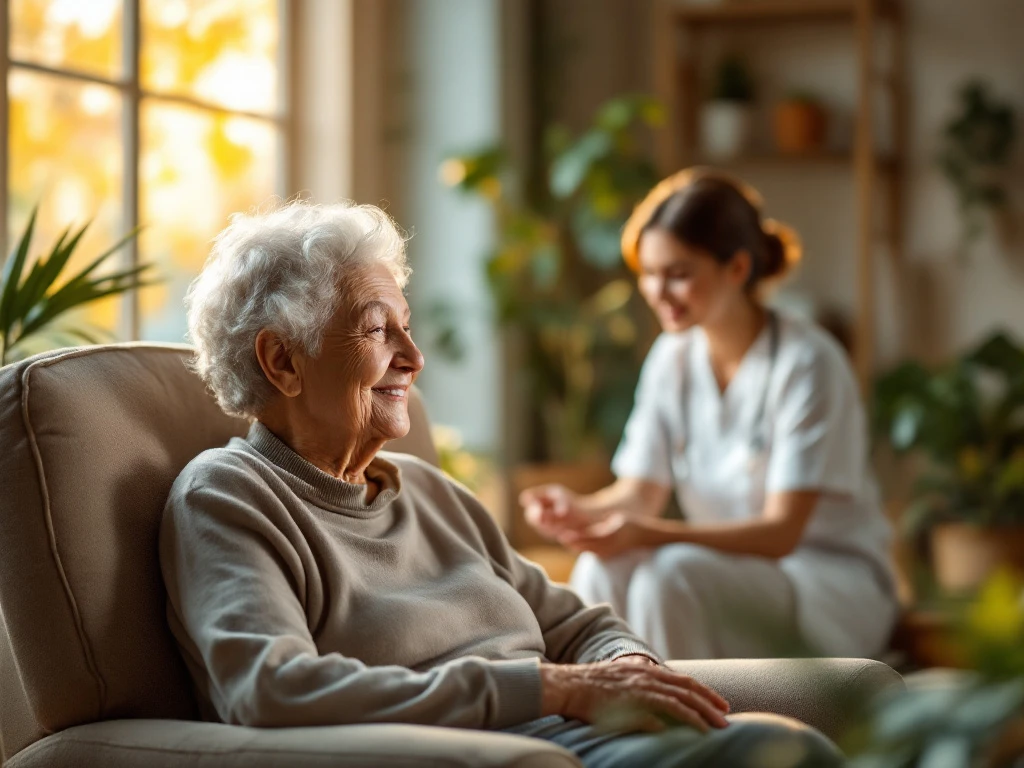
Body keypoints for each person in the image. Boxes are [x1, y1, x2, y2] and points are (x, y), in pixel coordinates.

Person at [160, 200, 843, 767]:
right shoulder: (228, 498)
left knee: (796, 748)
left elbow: (580, 625)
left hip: (589, 737)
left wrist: (630, 675)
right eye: (377, 330)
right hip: (504, 751)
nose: (414, 356)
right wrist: (548, 690)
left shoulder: (430, 493)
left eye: (408, 325)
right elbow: (270, 689)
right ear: (282, 360)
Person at [521, 169, 899, 661]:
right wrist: (579, 509)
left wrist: (647, 534)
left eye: (677, 273)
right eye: (647, 273)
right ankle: (614, 721)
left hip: (825, 582)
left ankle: (685, 731)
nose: (657, 291)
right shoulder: (671, 358)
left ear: (738, 268)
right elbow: (639, 495)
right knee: (598, 568)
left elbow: (781, 531)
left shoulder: (809, 361)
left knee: (671, 574)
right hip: (728, 570)